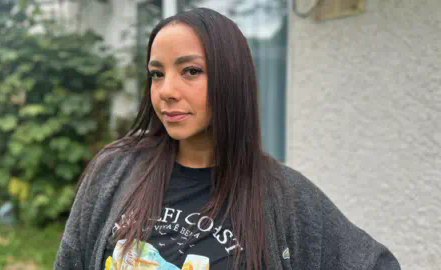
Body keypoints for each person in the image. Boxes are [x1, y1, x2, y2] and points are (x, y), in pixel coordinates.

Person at [54, 8, 400, 270]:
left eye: (191, 71)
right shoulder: (114, 171)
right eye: (156, 74)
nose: (166, 91)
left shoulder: (284, 196)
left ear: (230, 79)